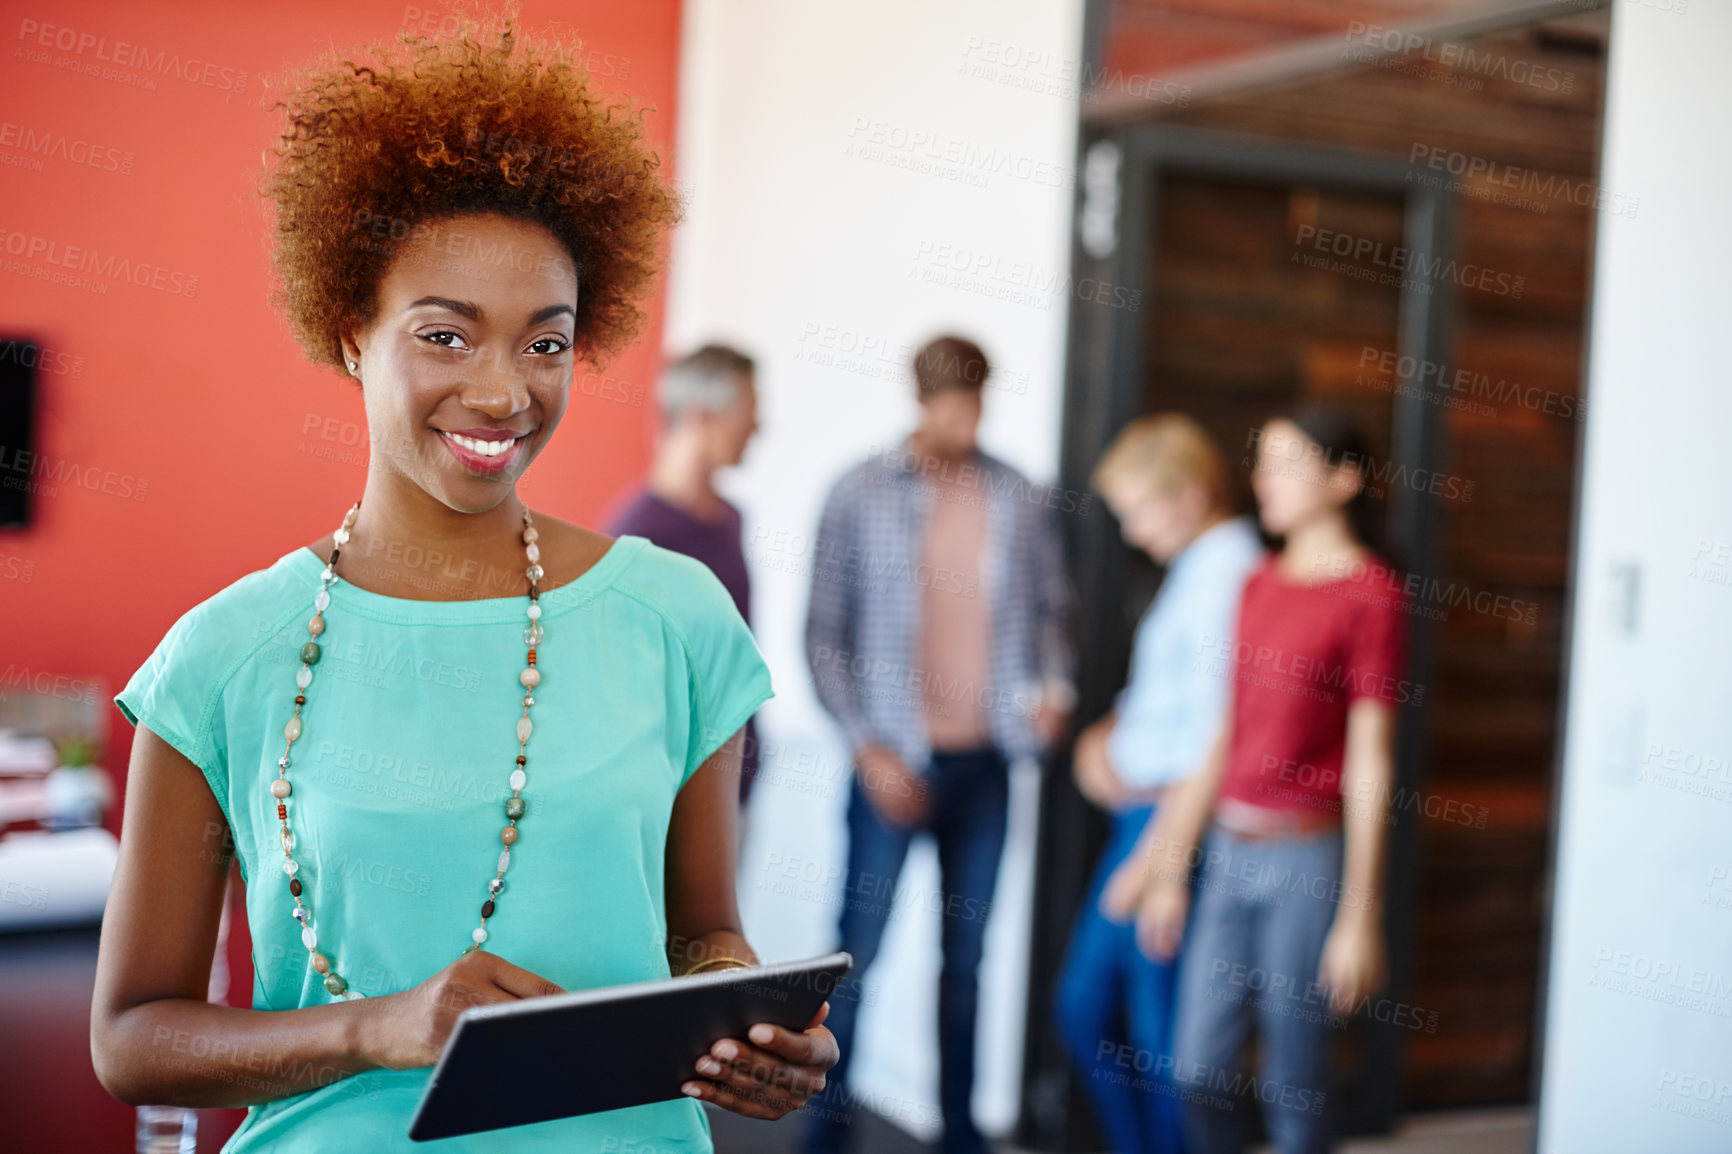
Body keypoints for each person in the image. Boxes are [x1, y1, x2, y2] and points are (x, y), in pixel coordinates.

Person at [88, 13, 837, 1152]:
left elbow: (702, 932)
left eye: (545, 343)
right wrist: (372, 1027)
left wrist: (751, 1026)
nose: (502, 391)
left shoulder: (675, 618)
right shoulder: (223, 657)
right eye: (445, 336)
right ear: (352, 332)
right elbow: (132, 1035)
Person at [801, 334, 1077, 1154]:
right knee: (856, 963)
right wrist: (868, 750)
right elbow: (823, 636)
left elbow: (1051, 614)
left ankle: (961, 1137)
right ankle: (825, 1135)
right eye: (951, 407)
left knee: (967, 966)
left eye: (976, 406)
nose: (965, 422)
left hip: (985, 767)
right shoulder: (858, 493)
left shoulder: (1019, 495)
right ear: (920, 402)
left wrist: (1054, 690)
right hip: (890, 766)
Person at [1109, 407, 1409, 1154]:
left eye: (1286, 462)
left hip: (1306, 858)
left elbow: (1373, 759)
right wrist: (1172, 870)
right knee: (1196, 1070)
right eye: (1262, 461)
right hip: (1229, 849)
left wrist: (1358, 915)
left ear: (1343, 479)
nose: (1262, 479)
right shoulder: (1259, 582)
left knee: (1293, 1086)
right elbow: (1223, 732)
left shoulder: (1372, 594)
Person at [1055, 415, 1264, 1154]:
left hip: (1165, 826)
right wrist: (1102, 743)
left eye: (1141, 511)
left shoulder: (1228, 569)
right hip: (1137, 817)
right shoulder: (1197, 567)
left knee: (1145, 1032)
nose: (1136, 533)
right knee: (1118, 1021)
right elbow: (1168, 705)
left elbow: (1217, 730)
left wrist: (1161, 866)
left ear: (1189, 493)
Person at [607, 344, 765, 807]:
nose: (758, 426)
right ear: (701, 416)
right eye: (749, 411)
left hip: (737, 779)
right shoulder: (638, 535)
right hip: (670, 792)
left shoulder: (731, 519)